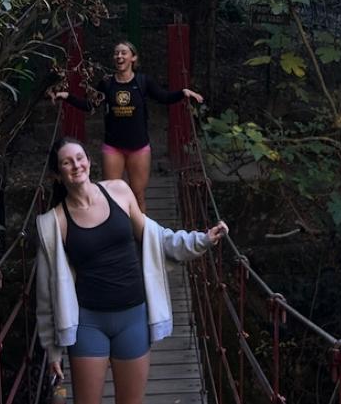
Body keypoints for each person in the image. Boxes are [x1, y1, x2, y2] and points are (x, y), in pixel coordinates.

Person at [34, 138, 228, 404]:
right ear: (57, 174)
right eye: (66, 162)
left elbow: (156, 238)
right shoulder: (53, 223)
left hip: (133, 317)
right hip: (88, 322)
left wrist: (201, 240)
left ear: (90, 162)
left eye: (80, 158)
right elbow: (46, 293)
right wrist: (53, 351)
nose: (76, 165)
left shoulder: (119, 192)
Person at [51, 41, 204, 212]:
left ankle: (142, 237)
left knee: (138, 195)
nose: (119, 56)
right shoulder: (107, 83)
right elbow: (90, 105)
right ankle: (117, 235)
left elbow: (164, 97)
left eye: (124, 53)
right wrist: (67, 96)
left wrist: (183, 93)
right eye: (116, 53)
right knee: (110, 196)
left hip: (139, 147)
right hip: (113, 147)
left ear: (133, 57)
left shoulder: (143, 81)